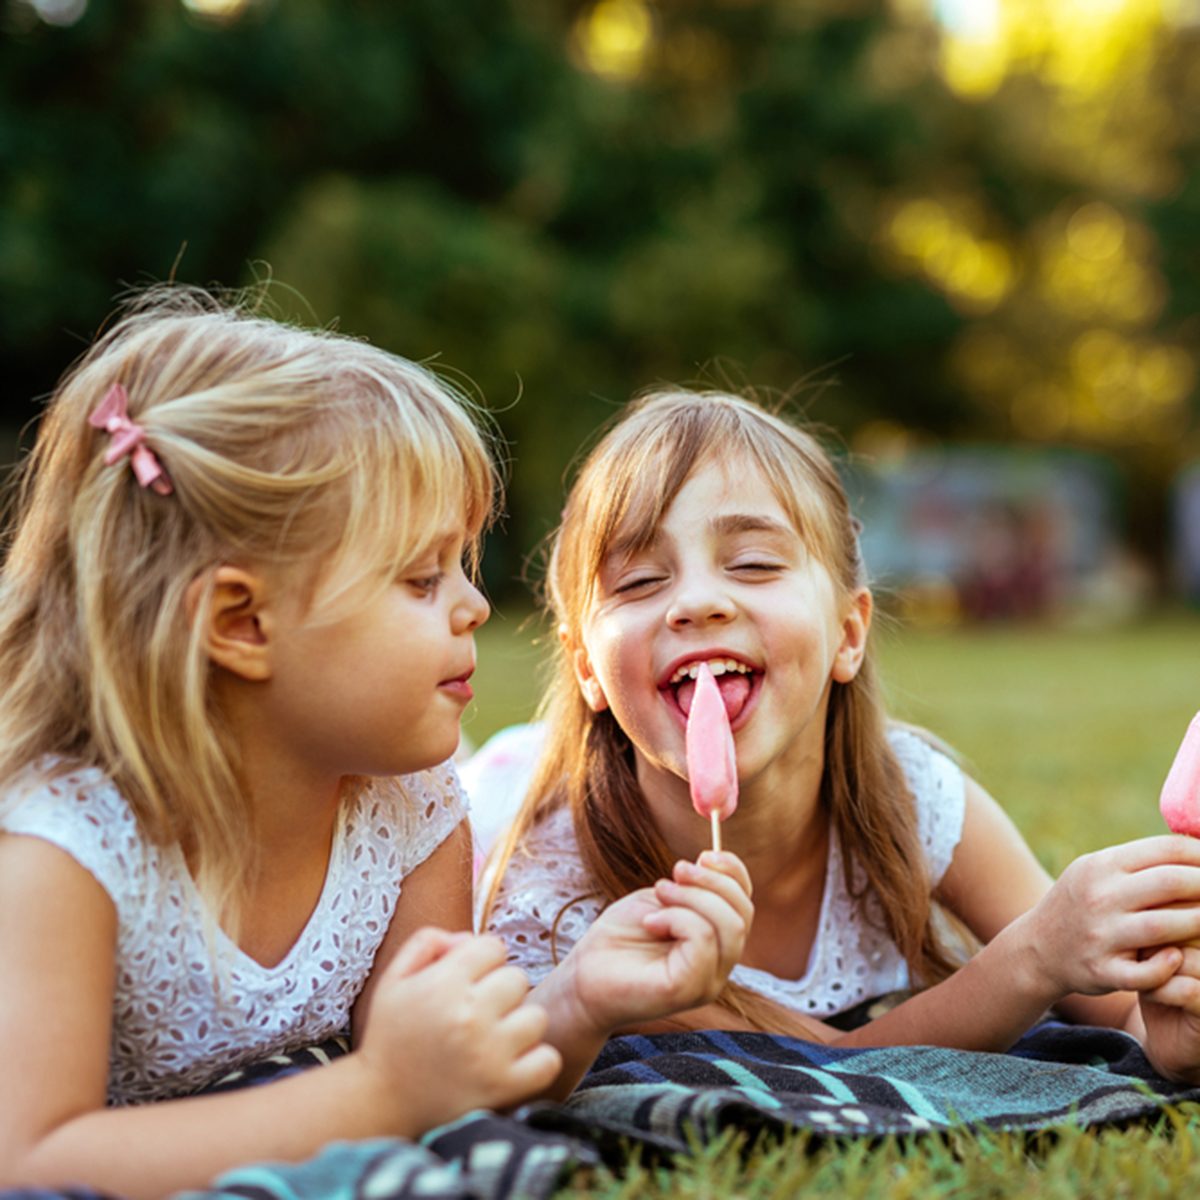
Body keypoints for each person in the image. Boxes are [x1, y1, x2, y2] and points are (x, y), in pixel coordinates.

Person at [0, 295, 752, 1199]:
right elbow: (29, 1163)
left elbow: (444, 1086)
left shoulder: (413, 810)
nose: (474, 606)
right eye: (422, 577)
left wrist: (582, 1000)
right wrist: (373, 1091)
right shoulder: (66, 848)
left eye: (464, 566)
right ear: (242, 622)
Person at [475, 387, 1200, 1075]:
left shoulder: (914, 798)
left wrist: (1171, 1034)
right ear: (587, 670)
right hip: (507, 775)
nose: (696, 601)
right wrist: (1033, 957)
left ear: (849, 632)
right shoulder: (559, 886)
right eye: (638, 582)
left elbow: (1118, 1015)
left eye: (754, 563)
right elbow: (824, 1064)